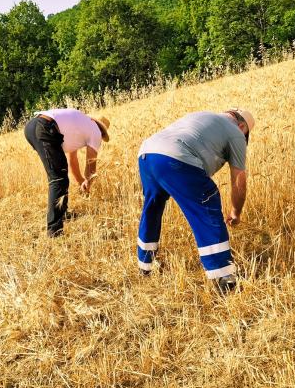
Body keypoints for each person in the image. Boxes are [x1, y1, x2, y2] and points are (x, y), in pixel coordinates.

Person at [137, 108, 254, 292]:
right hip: (174, 156)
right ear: (241, 126)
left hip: (147, 153)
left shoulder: (204, 116)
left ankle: (145, 264)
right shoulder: (236, 133)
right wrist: (235, 212)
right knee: (207, 200)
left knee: (153, 206)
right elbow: (238, 178)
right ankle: (223, 275)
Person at [24, 109, 111, 236]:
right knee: (58, 178)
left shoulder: (80, 125)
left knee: (60, 173)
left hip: (32, 126)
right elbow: (91, 163)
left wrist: (82, 181)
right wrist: (88, 182)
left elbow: (72, 161)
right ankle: (54, 231)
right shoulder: (95, 132)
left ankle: (62, 212)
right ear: (102, 130)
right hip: (45, 126)